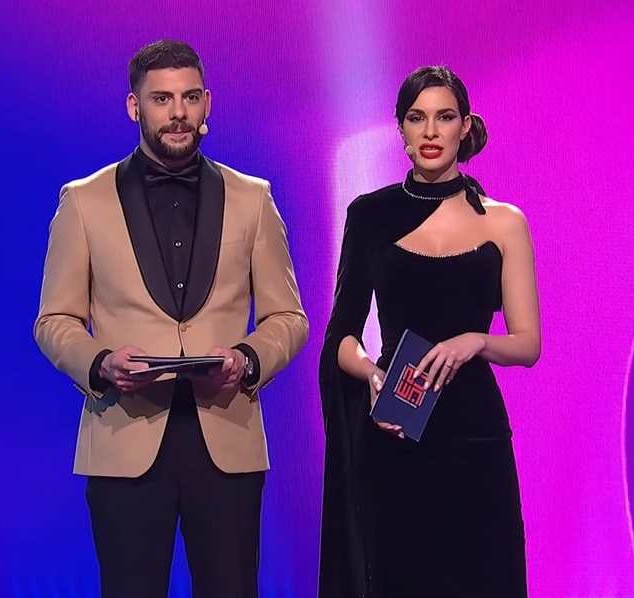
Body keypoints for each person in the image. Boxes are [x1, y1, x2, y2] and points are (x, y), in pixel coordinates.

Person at [32, 39, 309, 598]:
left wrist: (248, 359)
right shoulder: (83, 201)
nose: (178, 112)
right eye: (161, 99)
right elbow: (54, 320)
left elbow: (288, 316)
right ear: (134, 107)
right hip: (124, 437)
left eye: (189, 97)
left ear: (207, 102)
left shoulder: (254, 198)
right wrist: (102, 363)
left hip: (226, 436)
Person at [317, 65, 541, 598]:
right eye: (417, 118)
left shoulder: (504, 221)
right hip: (398, 425)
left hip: (475, 433)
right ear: (401, 128)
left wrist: (477, 341)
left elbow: (528, 344)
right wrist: (373, 377)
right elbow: (342, 335)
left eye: (444, 117)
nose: (431, 131)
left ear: (465, 126)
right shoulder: (369, 215)